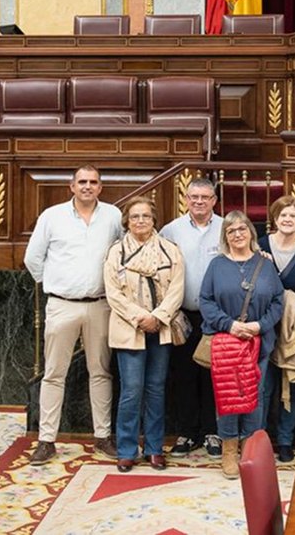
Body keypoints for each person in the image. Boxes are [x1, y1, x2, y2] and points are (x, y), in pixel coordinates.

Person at [24, 165, 123, 465]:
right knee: (54, 373)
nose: (87, 187)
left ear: (101, 187)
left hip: (100, 304)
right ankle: (46, 440)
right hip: (61, 304)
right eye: (82, 182)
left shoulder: (113, 216)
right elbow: (33, 259)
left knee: (101, 371)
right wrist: (57, 284)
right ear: (72, 185)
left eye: (93, 182)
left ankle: (102, 437)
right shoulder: (51, 216)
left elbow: (122, 252)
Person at [200, 211, 284, 479]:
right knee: (227, 396)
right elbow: (206, 301)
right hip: (226, 342)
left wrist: (259, 326)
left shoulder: (265, 264)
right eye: (231, 230)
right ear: (225, 236)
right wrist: (230, 325)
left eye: (242, 229)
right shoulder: (216, 265)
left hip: (257, 342)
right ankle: (228, 450)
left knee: (254, 396)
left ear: (250, 232)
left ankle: (250, 451)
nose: (237, 234)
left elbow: (278, 301)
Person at [104, 196, 184, 472]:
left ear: (154, 220)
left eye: (146, 216)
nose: (140, 221)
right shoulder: (116, 252)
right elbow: (113, 293)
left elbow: (177, 289)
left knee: (155, 390)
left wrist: (157, 318)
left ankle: (154, 448)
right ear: (127, 221)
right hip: (129, 329)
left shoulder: (169, 250)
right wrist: (140, 318)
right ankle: (127, 449)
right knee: (131, 391)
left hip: (159, 329)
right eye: (135, 216)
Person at [160, 177, 223, 458]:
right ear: (186, 199)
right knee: (183, 375)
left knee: (212, 375)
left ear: (214, 201)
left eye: (205, 197)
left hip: (216, 316)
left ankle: (212, 432)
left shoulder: (225, 228)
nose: (199, 202)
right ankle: (187, 432)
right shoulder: (171, 230)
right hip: (181, 315)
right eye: (194, 197)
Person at [256, 195, 295, 463]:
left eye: (293, 216)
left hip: (292, 329)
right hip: (263, 326)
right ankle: (260, 439)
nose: (287, 220)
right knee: (263, 385)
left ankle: (286, 440)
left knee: (291, 385)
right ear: (274, 218)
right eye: (283, 215)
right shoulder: (261, 247)